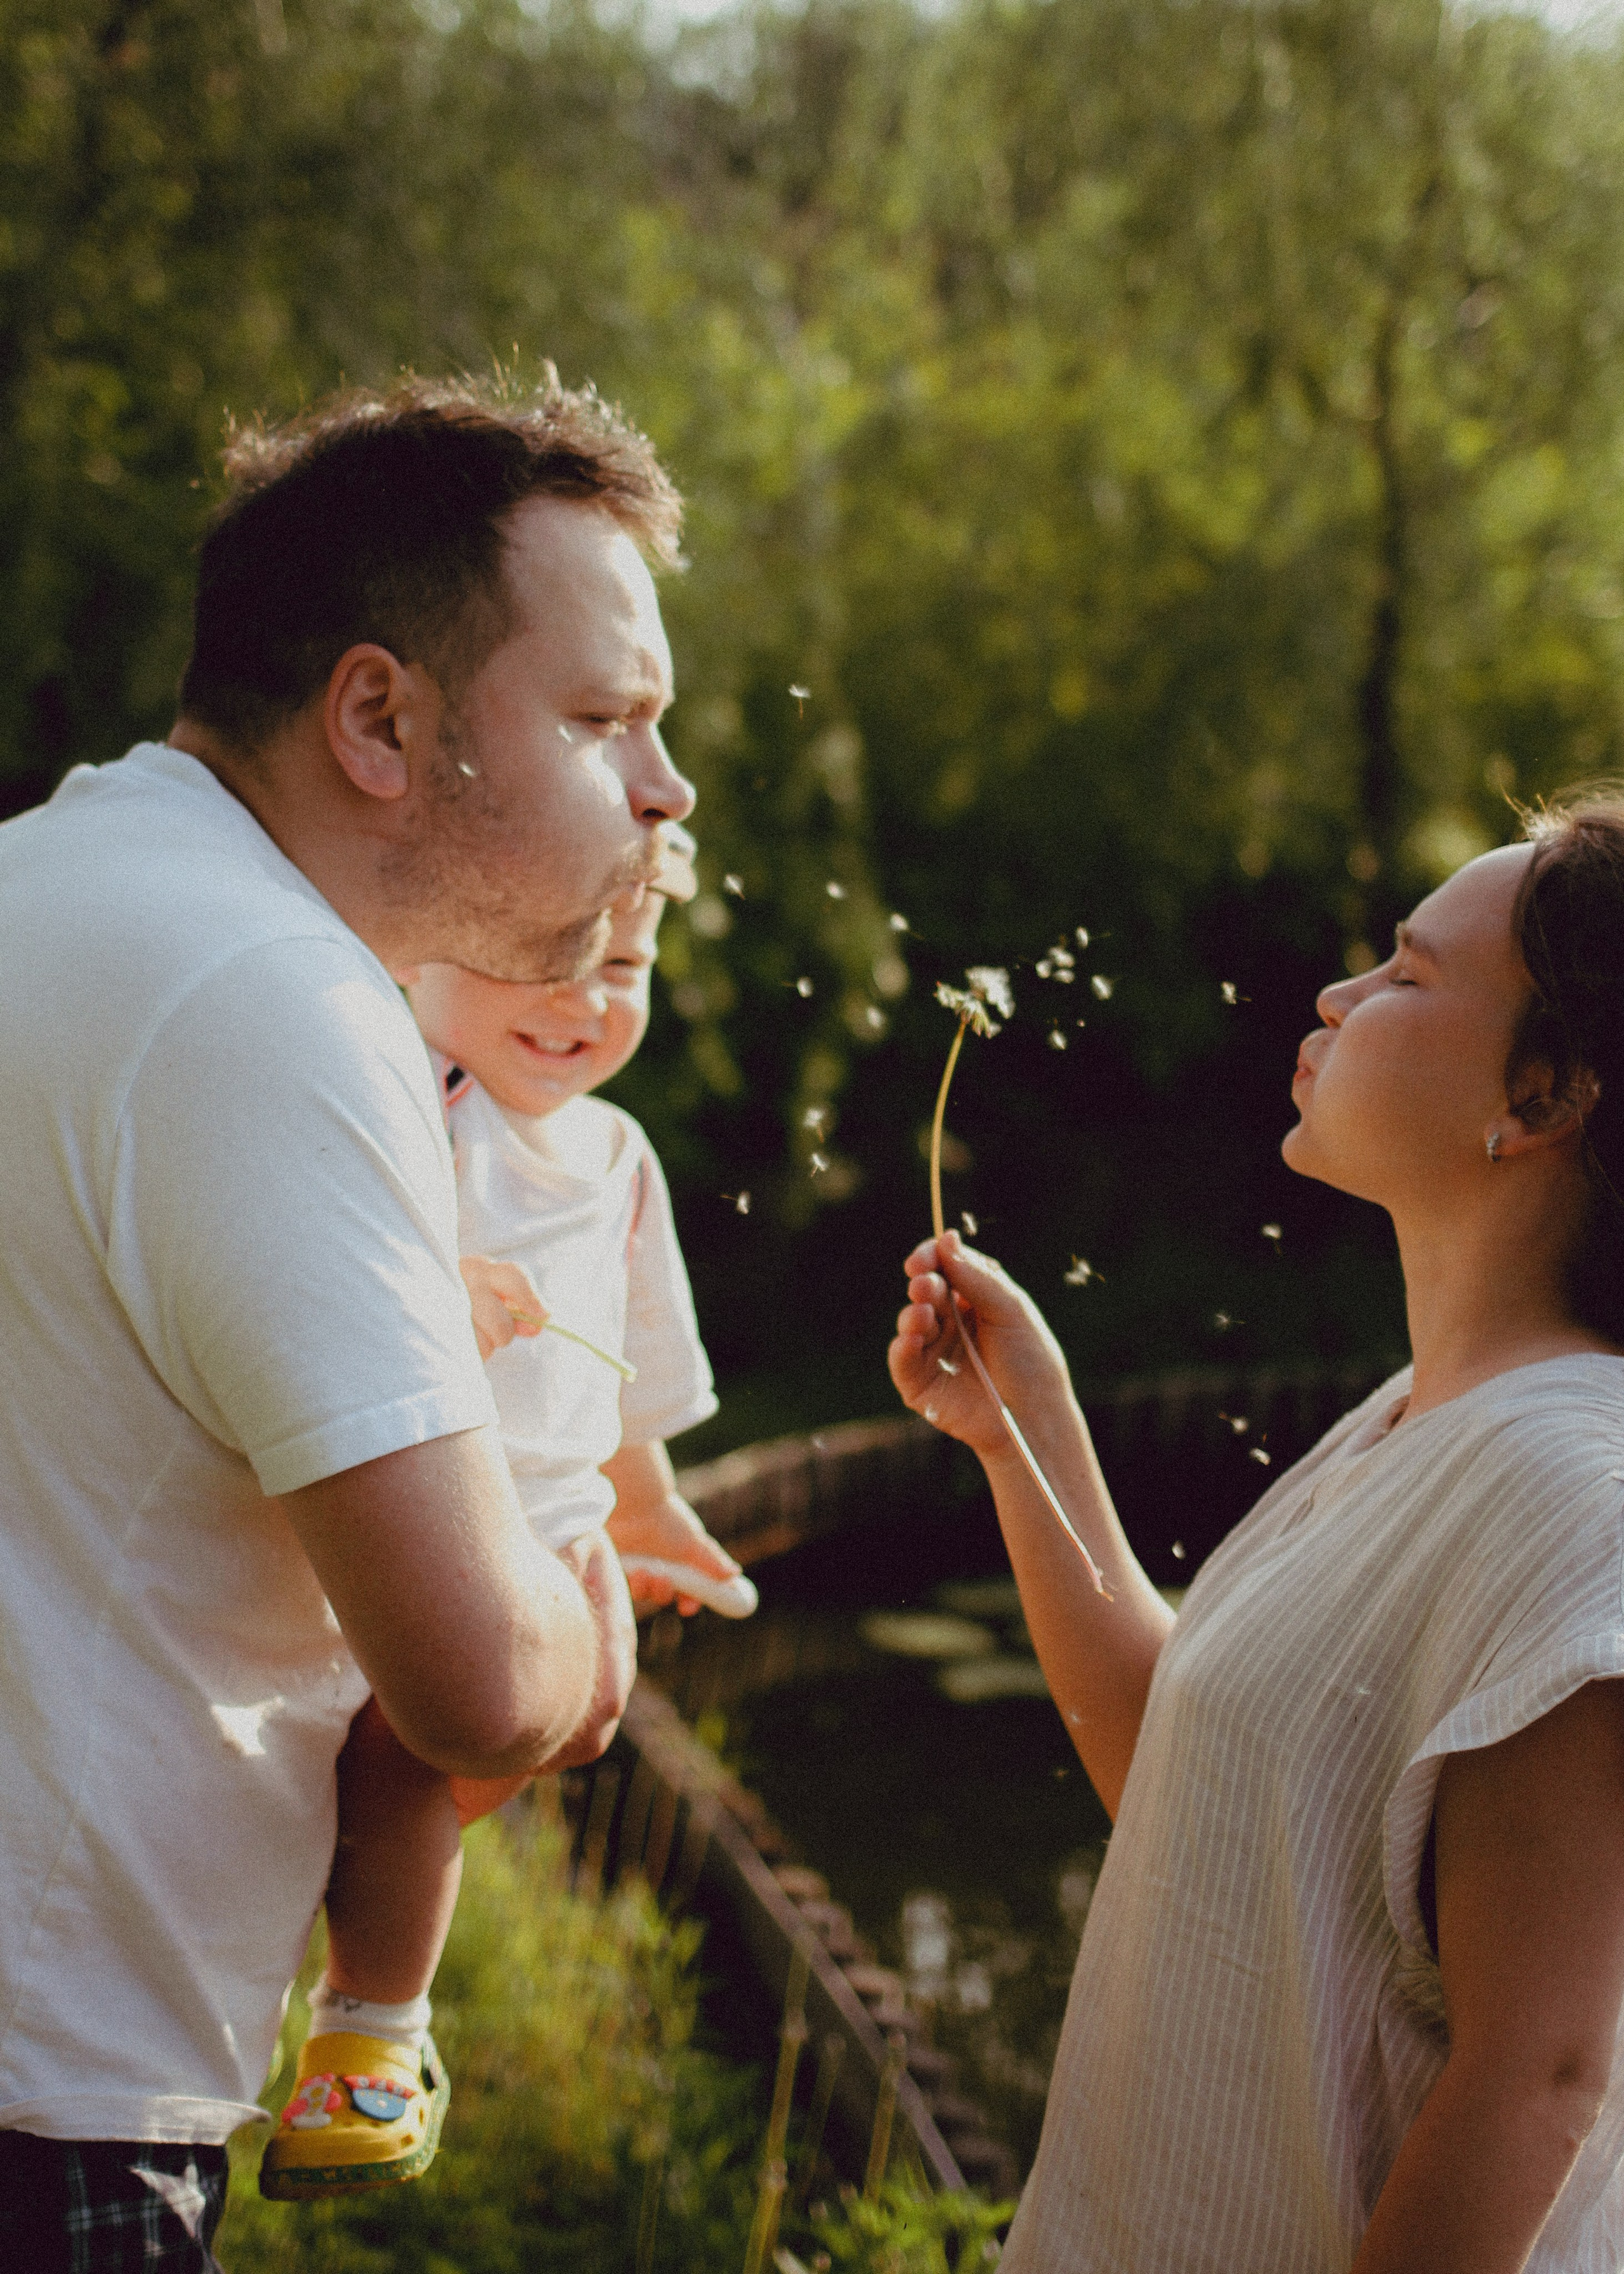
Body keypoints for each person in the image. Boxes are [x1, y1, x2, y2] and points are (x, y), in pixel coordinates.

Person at [0, 373, 694, 2270]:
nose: (665, 789)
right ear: (379, 718)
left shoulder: (54, 879)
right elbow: (476, 1679)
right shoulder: (274, 1004)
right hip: (45, 2099)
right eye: (606, 720)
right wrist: (592, 1634)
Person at [891, 793, 1624, 2273]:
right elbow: (1187, 1777)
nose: (1334, 996)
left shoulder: (1574, 1495)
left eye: (1405, 976)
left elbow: (1536, 2072)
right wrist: (1021, 1428)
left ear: (1542, 1097)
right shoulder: (1420, 1417)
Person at [259, 827, 755, 2200]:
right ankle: (367, 2034)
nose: (583, 998)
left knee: (444, 1767)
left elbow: (639, 1376)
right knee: (411, 1753)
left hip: (557, 1543)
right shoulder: (417, 1107)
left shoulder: (620, 1157)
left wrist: (650, 1511)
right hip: (424, 1528)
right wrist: (444, 1308)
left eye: (625, 966)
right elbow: (327, 1298)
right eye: (543, 958)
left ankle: (354, 1936)